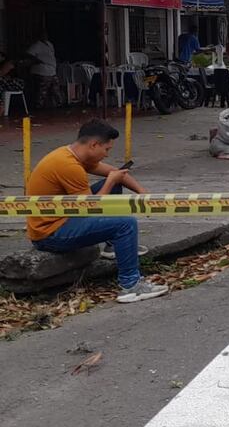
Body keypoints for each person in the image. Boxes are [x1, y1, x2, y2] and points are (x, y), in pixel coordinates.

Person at [25, 119, 169, 303]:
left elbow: (116, 173)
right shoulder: (68, 166)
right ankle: (131, 286)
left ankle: (112, 246)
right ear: (94, 145)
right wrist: (110, 180)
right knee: (126, 224)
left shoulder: (72, 154)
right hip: (50, 233)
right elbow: (91, 208)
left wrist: (144, 194)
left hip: (66, 216)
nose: (107, 155)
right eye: (106, 149)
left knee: (114, 184)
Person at [26, 31, 59, 108]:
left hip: (52, 70)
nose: (44, 36)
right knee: (41, 92)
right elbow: (28, 54)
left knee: (55, 91)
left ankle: (56, 107)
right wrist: (37, 60)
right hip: (43, 70)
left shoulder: (50, 44)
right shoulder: (37, 45)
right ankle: (38, 108)